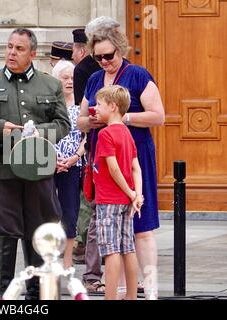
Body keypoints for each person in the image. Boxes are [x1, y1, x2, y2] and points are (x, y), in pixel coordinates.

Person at [0, 28, 70, 299]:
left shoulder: (50, 84)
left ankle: (35, 294)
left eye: (19, 48)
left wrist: (40, 133)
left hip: (37, 167)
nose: (11, 52)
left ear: (33, 54)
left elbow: (63, 124)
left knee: (38, 229)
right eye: (9, 46)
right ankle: (4, 293)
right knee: (5, 230)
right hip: (1, 168)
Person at [77, 17, 165, 299]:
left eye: (108, 55)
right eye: (98, 56)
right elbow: (80, 119)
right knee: (113, 232)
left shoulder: (139, 75)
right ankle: (124, 289)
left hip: (133, 155)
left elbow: (158, 116)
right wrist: (92, 122)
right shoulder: (93, 79)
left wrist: (120, 118)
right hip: (103, 160)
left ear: (120, 49)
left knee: (141, 224)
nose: (103, 61)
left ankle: (148, 288)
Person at [92, 85, 143, 300]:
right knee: (127, 248)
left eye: (100, 105)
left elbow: (113, 168)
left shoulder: (105, 134)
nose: (95, 109)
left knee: (111, 250)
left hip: (109, 200)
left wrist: (131, 193)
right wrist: (136, 194)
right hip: (126, 200)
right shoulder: (127, 133)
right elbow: (136, 168)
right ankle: (131, 296)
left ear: (113, 107)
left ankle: (110, 297)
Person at [72, 26, 104, 286]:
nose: (104, 61)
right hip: (94, 148)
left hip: (101, 148)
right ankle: (93, 271)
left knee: (92, 208)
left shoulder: (83, 68)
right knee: (92, 208)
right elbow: (82, 119)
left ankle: (96, 267)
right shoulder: (88, 73)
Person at [51, 60, 86, 269]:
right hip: (49, 164)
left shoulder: (81, 104)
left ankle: (67, 261)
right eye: (65, 78)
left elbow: (87, 136)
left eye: (72, 78)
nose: (69, 82)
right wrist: (53, 159)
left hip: (73, 165)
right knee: (48, 211)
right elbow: (41, 132)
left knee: (70, 212)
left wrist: (75, 157)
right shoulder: (50, 104)